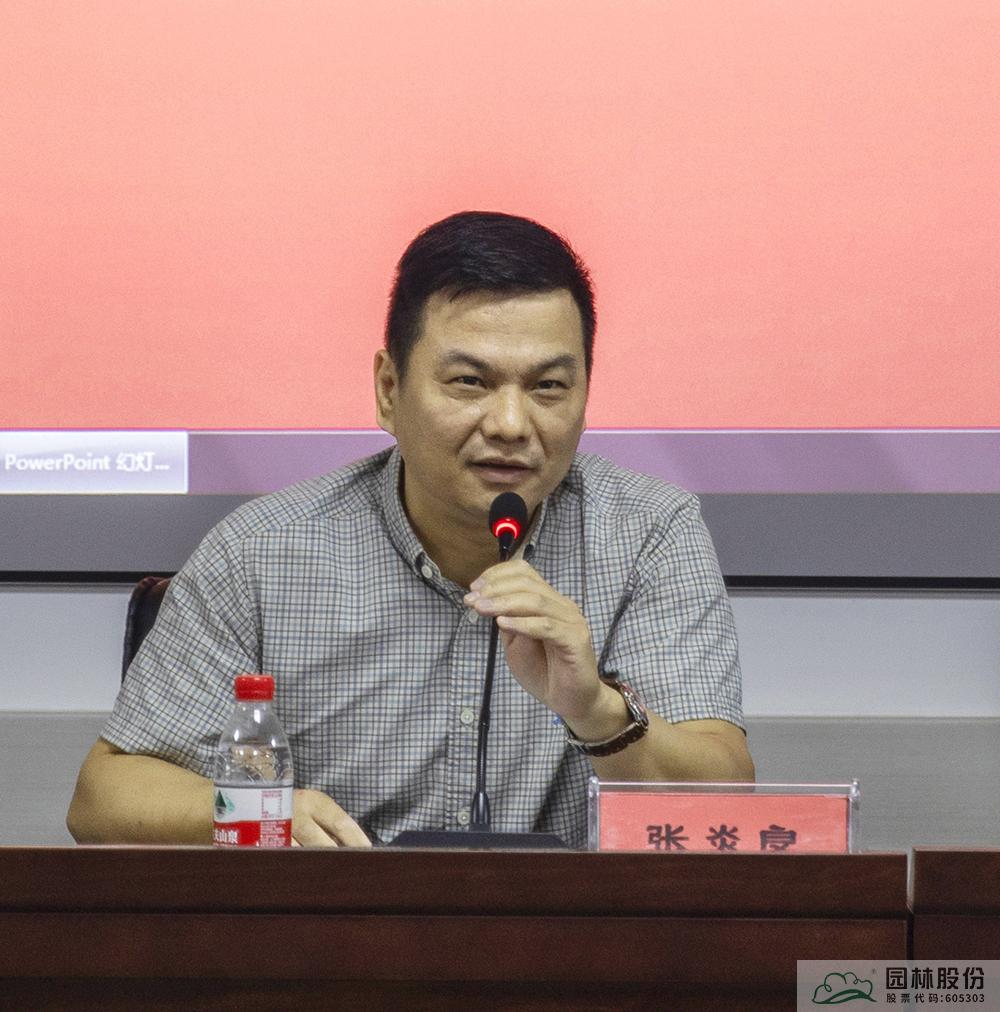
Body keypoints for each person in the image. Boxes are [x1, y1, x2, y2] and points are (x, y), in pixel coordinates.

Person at [67, 211, 753, 849]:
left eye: (548, 387)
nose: (511, 425)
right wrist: (265, 815)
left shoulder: (649, 534)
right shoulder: (261, 553)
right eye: (470, 382)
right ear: (389, 390)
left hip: (565, 933)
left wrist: (597, 710)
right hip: (338, 931)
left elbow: (723, 798)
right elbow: (103, 799)